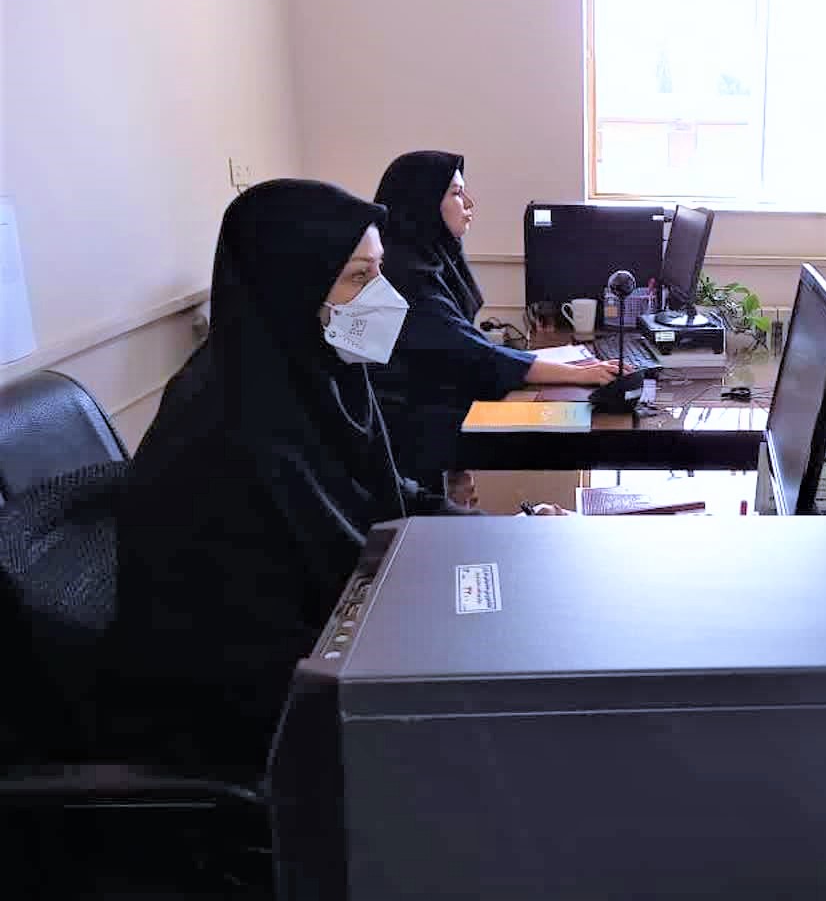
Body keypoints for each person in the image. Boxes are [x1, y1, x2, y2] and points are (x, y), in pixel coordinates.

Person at [107, 179, 477, 771]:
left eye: (379, 271)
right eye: (359, 277)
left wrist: (501, 533)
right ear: (291, 284)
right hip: (253, 734)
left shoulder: (320, 374)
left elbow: (387, 498)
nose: (384, 296)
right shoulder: (222, 432)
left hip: (333, 666)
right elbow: (256, 658)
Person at [372, 151, 620, 495]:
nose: (469, 203)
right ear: (423, 204)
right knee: (570, 421)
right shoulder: (406, 275)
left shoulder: (428, 258)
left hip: (433, 412)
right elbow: (471, 354)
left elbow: (464, 348)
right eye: (456, 193)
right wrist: (579, 373)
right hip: (413, 429)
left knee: (564, 414)